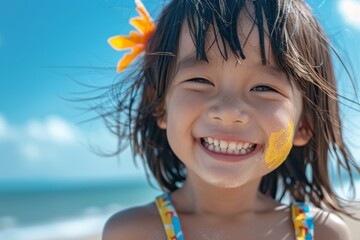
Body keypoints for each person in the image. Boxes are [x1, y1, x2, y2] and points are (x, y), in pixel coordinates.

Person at [101, 0, 360, 239]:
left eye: (263, 87)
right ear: (160, 106)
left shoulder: (324, 233)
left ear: (304, 123)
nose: (228, 111)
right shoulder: (131, 232)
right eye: (199, 80)